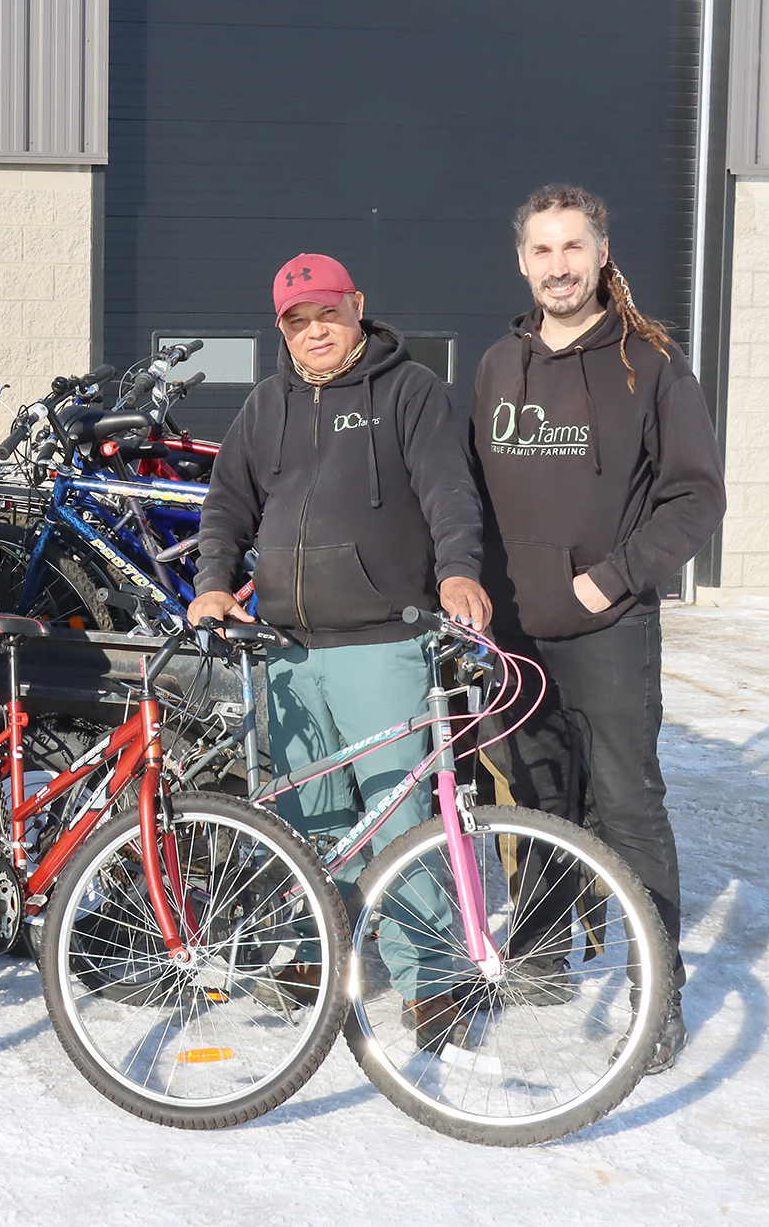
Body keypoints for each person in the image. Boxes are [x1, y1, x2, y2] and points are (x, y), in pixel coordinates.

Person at [184, 253, 491, 1050]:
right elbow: (227, 505)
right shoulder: (264, 406)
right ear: (281, 329)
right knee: (307, 820)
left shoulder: (410, 391)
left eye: (327, 313)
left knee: (399, 819)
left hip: (382, 639)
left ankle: (433, 981)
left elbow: (448, 490)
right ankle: (322, 949)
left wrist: (459, 571)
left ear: (356, 306)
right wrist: (216, 581)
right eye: (296, 320)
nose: (314, 331)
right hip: (286, 649)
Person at [470, 184, 726, 1073]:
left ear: (601, 255)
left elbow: (697, 495)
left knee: (627, 806)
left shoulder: (650, 363)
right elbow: (467, 493)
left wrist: (609, 579)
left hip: (608, 627)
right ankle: (540, 952)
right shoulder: (500, 364)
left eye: (573, 248)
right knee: (536, 797)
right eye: (542, 251)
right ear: (522, 261)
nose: (558, 266)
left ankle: (659, 993)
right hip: (513, 634)